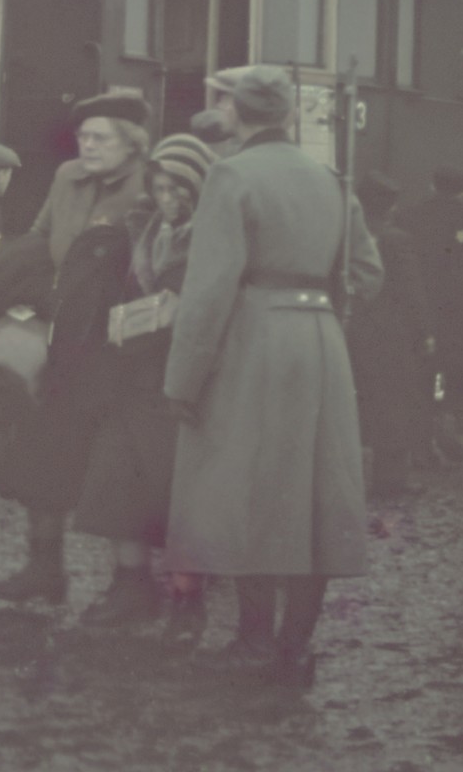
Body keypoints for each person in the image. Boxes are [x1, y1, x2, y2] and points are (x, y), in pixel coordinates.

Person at [161, 64, 384, 688]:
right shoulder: (333, 180)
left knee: (248, 486)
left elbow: (207, 292)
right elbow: (367, 274)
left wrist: (182, 379)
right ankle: (295, 644)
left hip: (252, 338)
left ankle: (254, 639)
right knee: (314, 493)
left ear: (236, 111)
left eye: (224, 101)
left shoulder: (231, 175)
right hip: (320, 342)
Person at [0, 92, 153, 602]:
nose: (87, 145)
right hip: (61, 336)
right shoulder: (65, 179)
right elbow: (39, 238)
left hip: (118, 345)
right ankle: (44, 568)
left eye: (100, 137)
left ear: (132, 144)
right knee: (43, 448)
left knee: (120, 465)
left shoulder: (149, 186)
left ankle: (131, 583)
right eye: (82, 136)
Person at [71, 132, 216, 647]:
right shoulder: (145, 230)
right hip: (134, 378)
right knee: (117, 481)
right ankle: (130, 586)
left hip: (181, 381)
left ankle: (186, 598)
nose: (168, 199)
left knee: (182, 495)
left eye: (180, 189)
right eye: (160, 187)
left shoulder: (213, 238)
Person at [394, 166, 463, 453]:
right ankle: (449, 420)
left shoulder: (407, 218)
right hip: (461, 311)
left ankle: (421, 443)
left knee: (421, 375)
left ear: (431, 186)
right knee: (457, 371)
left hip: (420, 308)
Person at [347, 173, 434, 499]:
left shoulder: (346, 237)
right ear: (392, 207)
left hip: (352, 328)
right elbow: (412, 291)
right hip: (390, 334)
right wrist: (424, 331)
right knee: (395, 405)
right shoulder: (396, 239)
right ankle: (390, 481)